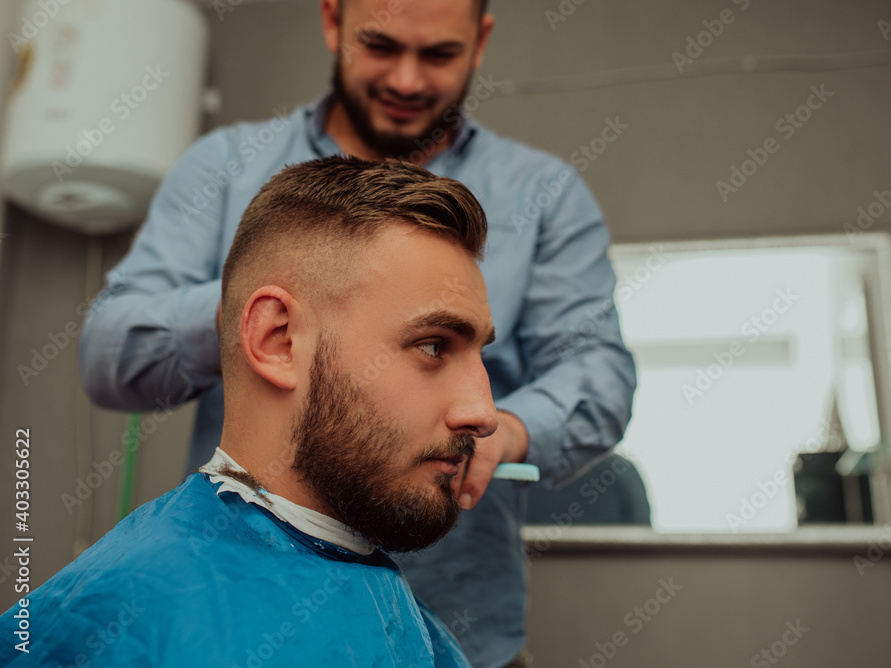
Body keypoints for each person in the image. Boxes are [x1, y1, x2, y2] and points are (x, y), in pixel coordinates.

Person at [78, 1, 637, 666]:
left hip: (469, 629)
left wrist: (514, 430)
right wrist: (291, 288)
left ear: (481, 41)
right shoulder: (226, 166)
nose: (406, 80)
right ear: (332, 22)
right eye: (380, 46)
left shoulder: (543, 193)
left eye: (438, 55)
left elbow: (598, 373)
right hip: (245, 615)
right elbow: (111, 352)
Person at [2, 156, 496, 666]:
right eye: (434, 346)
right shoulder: (133, 623)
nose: (485, 413)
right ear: (278, 341)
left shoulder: (403, 616)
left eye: (481, 355)